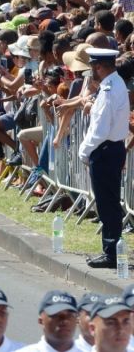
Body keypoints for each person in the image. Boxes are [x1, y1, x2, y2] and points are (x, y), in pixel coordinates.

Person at [79, 48, 130, 269]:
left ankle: (111, 253)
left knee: (106, 203)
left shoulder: (109, 89)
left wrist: (84, 150)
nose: (92, 71)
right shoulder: (115, 84)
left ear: (99, 66)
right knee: (109, 201)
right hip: (112, 148)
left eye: (93, 67)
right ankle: (111, 250)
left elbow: (100, 128)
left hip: (105, 149)